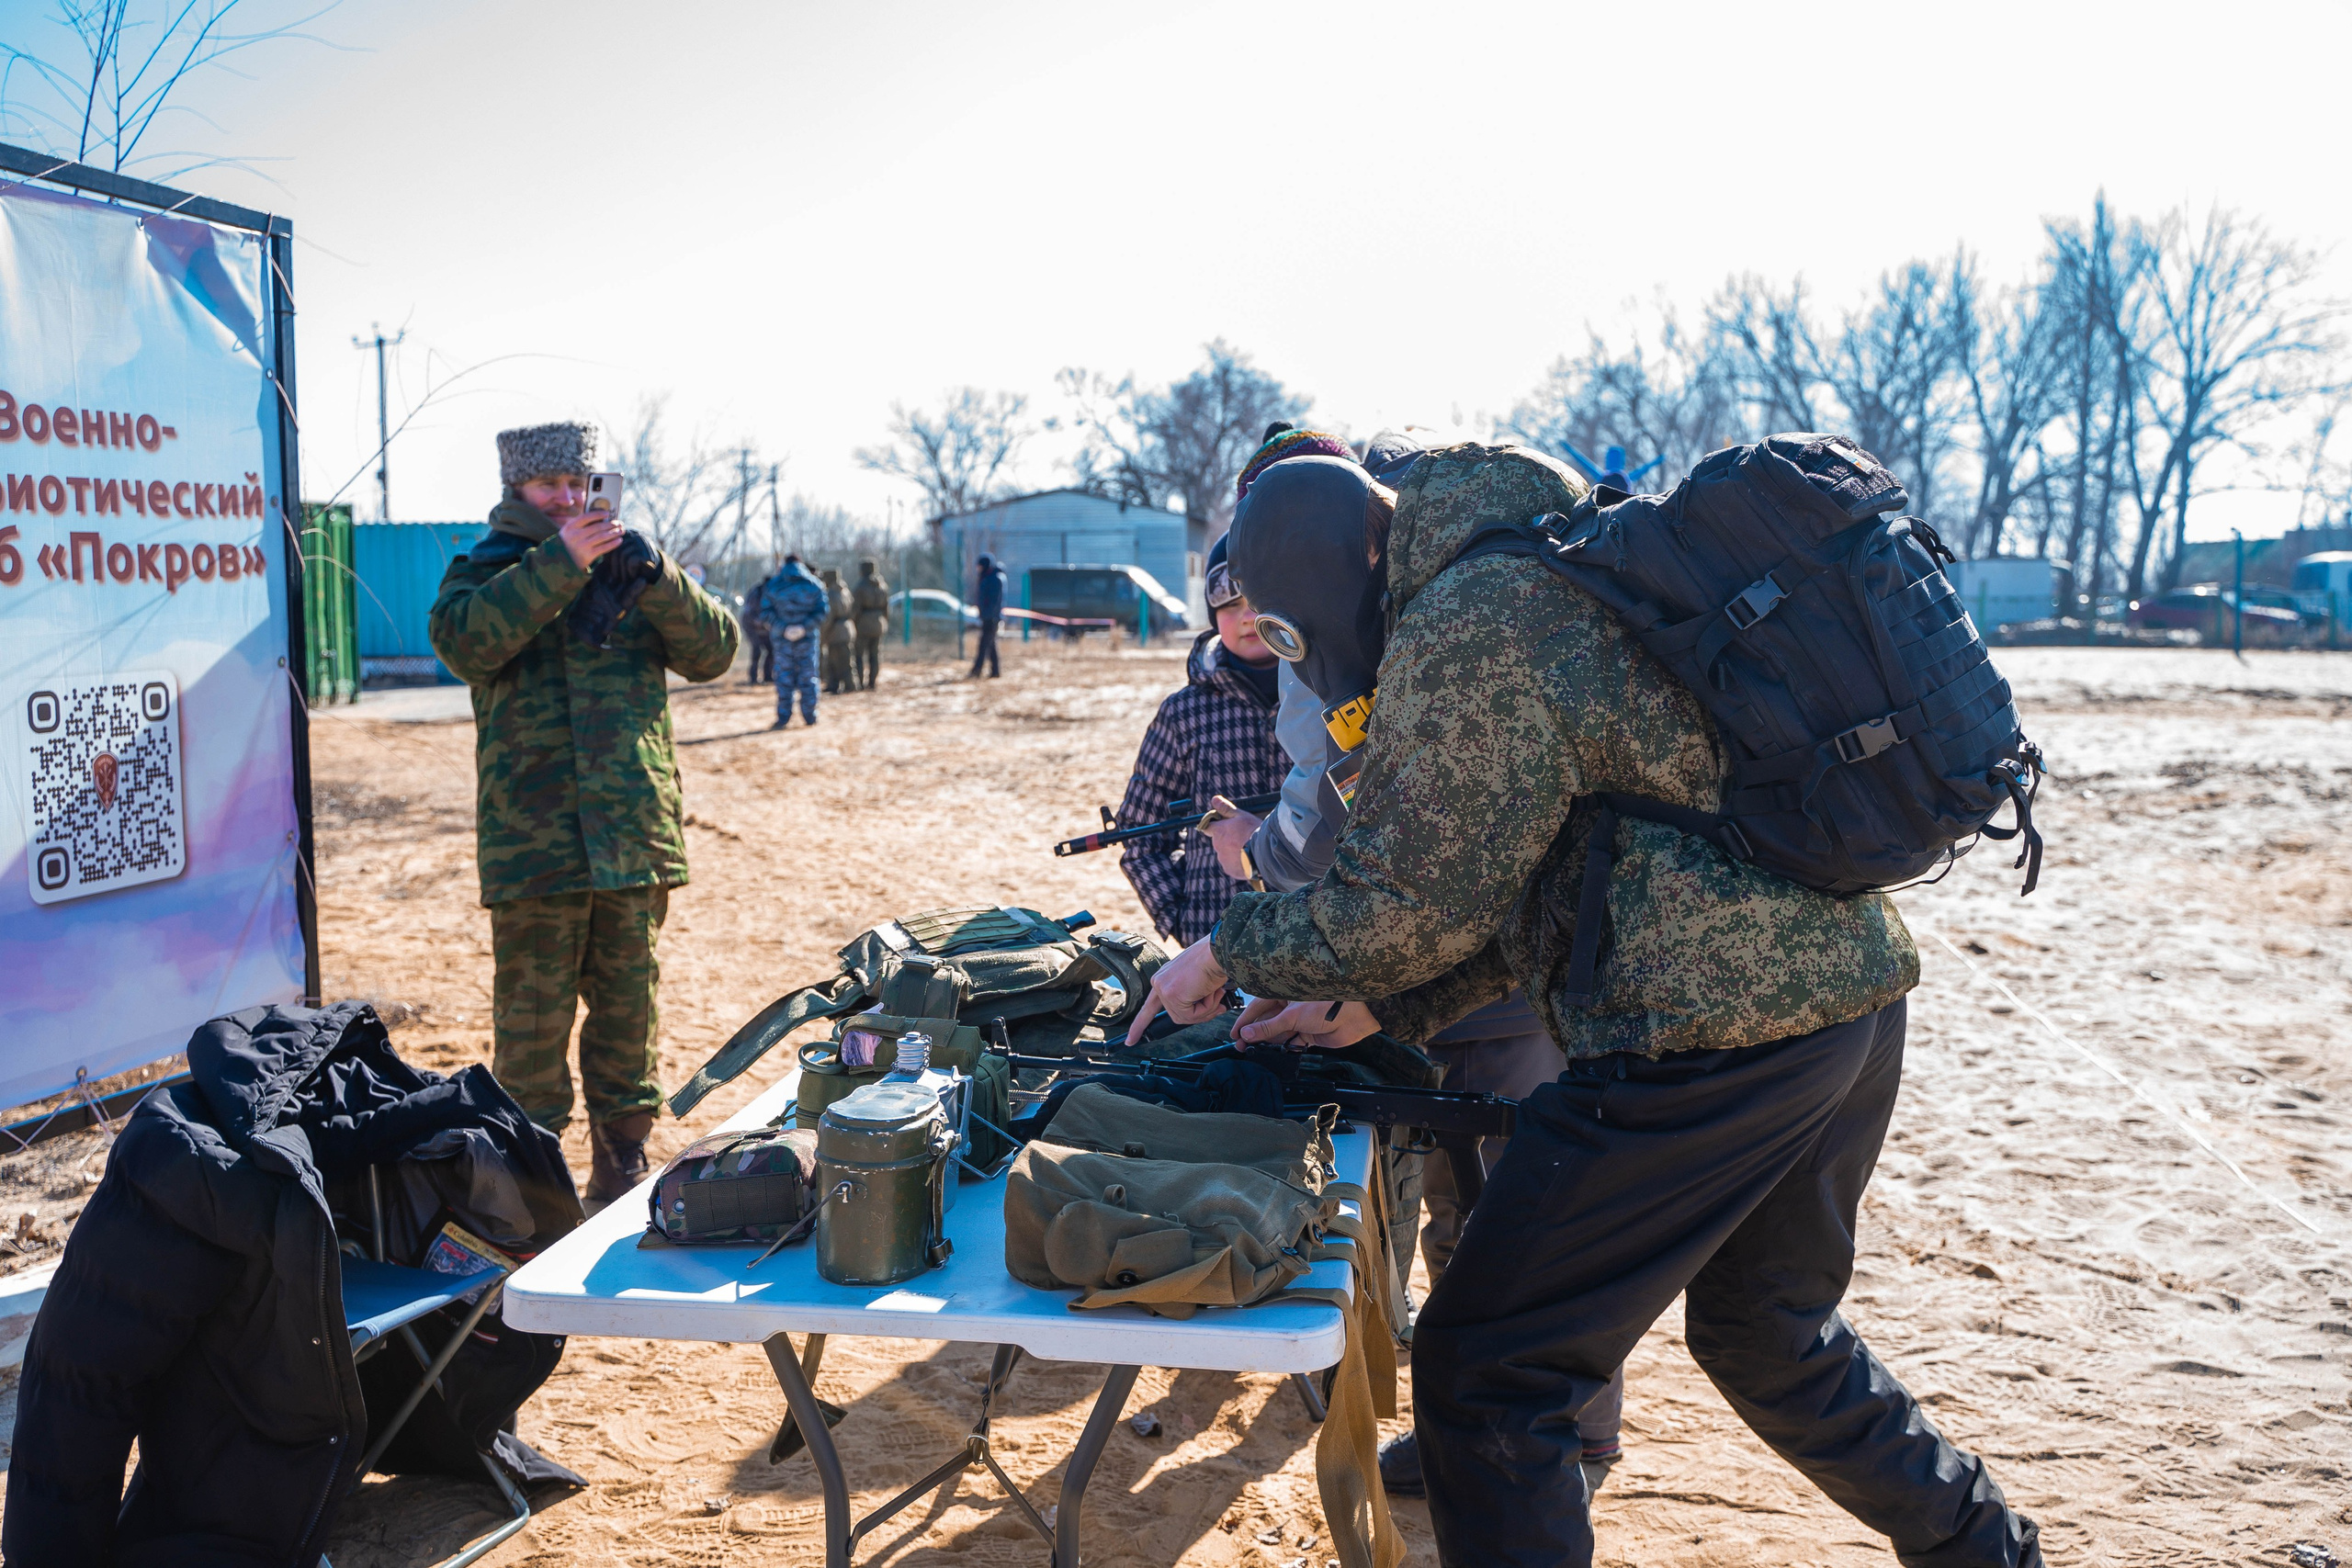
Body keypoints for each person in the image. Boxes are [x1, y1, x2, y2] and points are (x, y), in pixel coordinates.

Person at [1127, 447, 2041, 1566]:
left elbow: (1404, 900)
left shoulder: (1473, 617)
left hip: (1703, 1035)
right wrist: (1381, 1011)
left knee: (1489, 1367)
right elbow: (1554, 871)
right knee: (1768, 1336)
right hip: (1839, 1005)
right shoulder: (1537, 562)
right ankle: (1987, 1552)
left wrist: (1224, 950)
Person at [1202, 429, 1625, 1492]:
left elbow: (1352, 831)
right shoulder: (1448, 571)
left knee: (1521, 1221)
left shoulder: (1414, 616)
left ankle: (1546, 1449)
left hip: (1496, 976)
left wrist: (1242, 904)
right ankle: (1508, 1439)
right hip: (1487, 967)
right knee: (1487, 1211)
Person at [428, 421, 739, 1201]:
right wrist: (560, 564)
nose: (568, 498)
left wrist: (662, 576)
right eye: (550, 486)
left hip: (632, 836)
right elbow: (465, 645)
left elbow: (715, 653)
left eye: (579, 483)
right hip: (535, 847)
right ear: (517, 489)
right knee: (531, 1028)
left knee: (630, 1016)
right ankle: (531, 1188)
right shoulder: (484, 570)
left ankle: (621, 1160)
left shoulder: (634, 565)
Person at [1114, 535, 1290, 947]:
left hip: (1325, 942)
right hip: (1219, 950)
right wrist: (1184, 920)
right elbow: (1139, 834)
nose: (1246, 616)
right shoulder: (1183, 713)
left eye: (1257, 599)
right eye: (1228, 606)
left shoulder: (1330, 697)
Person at [759, 553, 828, 727]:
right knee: (808, 676)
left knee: (784, 677)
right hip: (807, 639)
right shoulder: (814, 584)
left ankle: (783, 717)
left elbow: (765, 613)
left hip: (782, 640)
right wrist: (804, 627)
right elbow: (822, 611)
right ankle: (810, 716)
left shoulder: (774, 585)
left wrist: (783, 628)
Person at [852, 556, 891, 689]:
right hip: (879, 624)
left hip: (863, 624)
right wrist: (885, 622)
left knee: (858, 655)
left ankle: (860, 682)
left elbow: (855, 609)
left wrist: (853, 622)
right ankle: (872, 682)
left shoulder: (860, 587)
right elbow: (886, 608)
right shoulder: (882, 585)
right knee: (875, 655)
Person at [820, 566, 854, 694]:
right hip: (847, 628)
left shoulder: (831, 595)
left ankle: (848, 685)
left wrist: (823, 635)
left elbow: (829, 618)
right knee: (838, 659)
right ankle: (835, 684)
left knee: (839, 660)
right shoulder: (845, 591)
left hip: (836, 631)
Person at [970, 551, 1006, 678]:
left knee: (983, 645)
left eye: (979, 566)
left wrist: (988, 615)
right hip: (987, 617)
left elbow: (994, 601)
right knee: (991, 646)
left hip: (991, 618)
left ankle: (976, 671)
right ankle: (995, 671)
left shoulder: (994, 579)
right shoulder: (986, 577)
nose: (978, 568)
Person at [744, 587, 774, 685]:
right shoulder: (756, 594)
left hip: (765, 627)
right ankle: (753, 678)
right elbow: (748, 613)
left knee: (771, 649)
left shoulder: (774, 593)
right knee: (757, 649)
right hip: (751, 626)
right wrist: (756, 621)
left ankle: (768, 676)